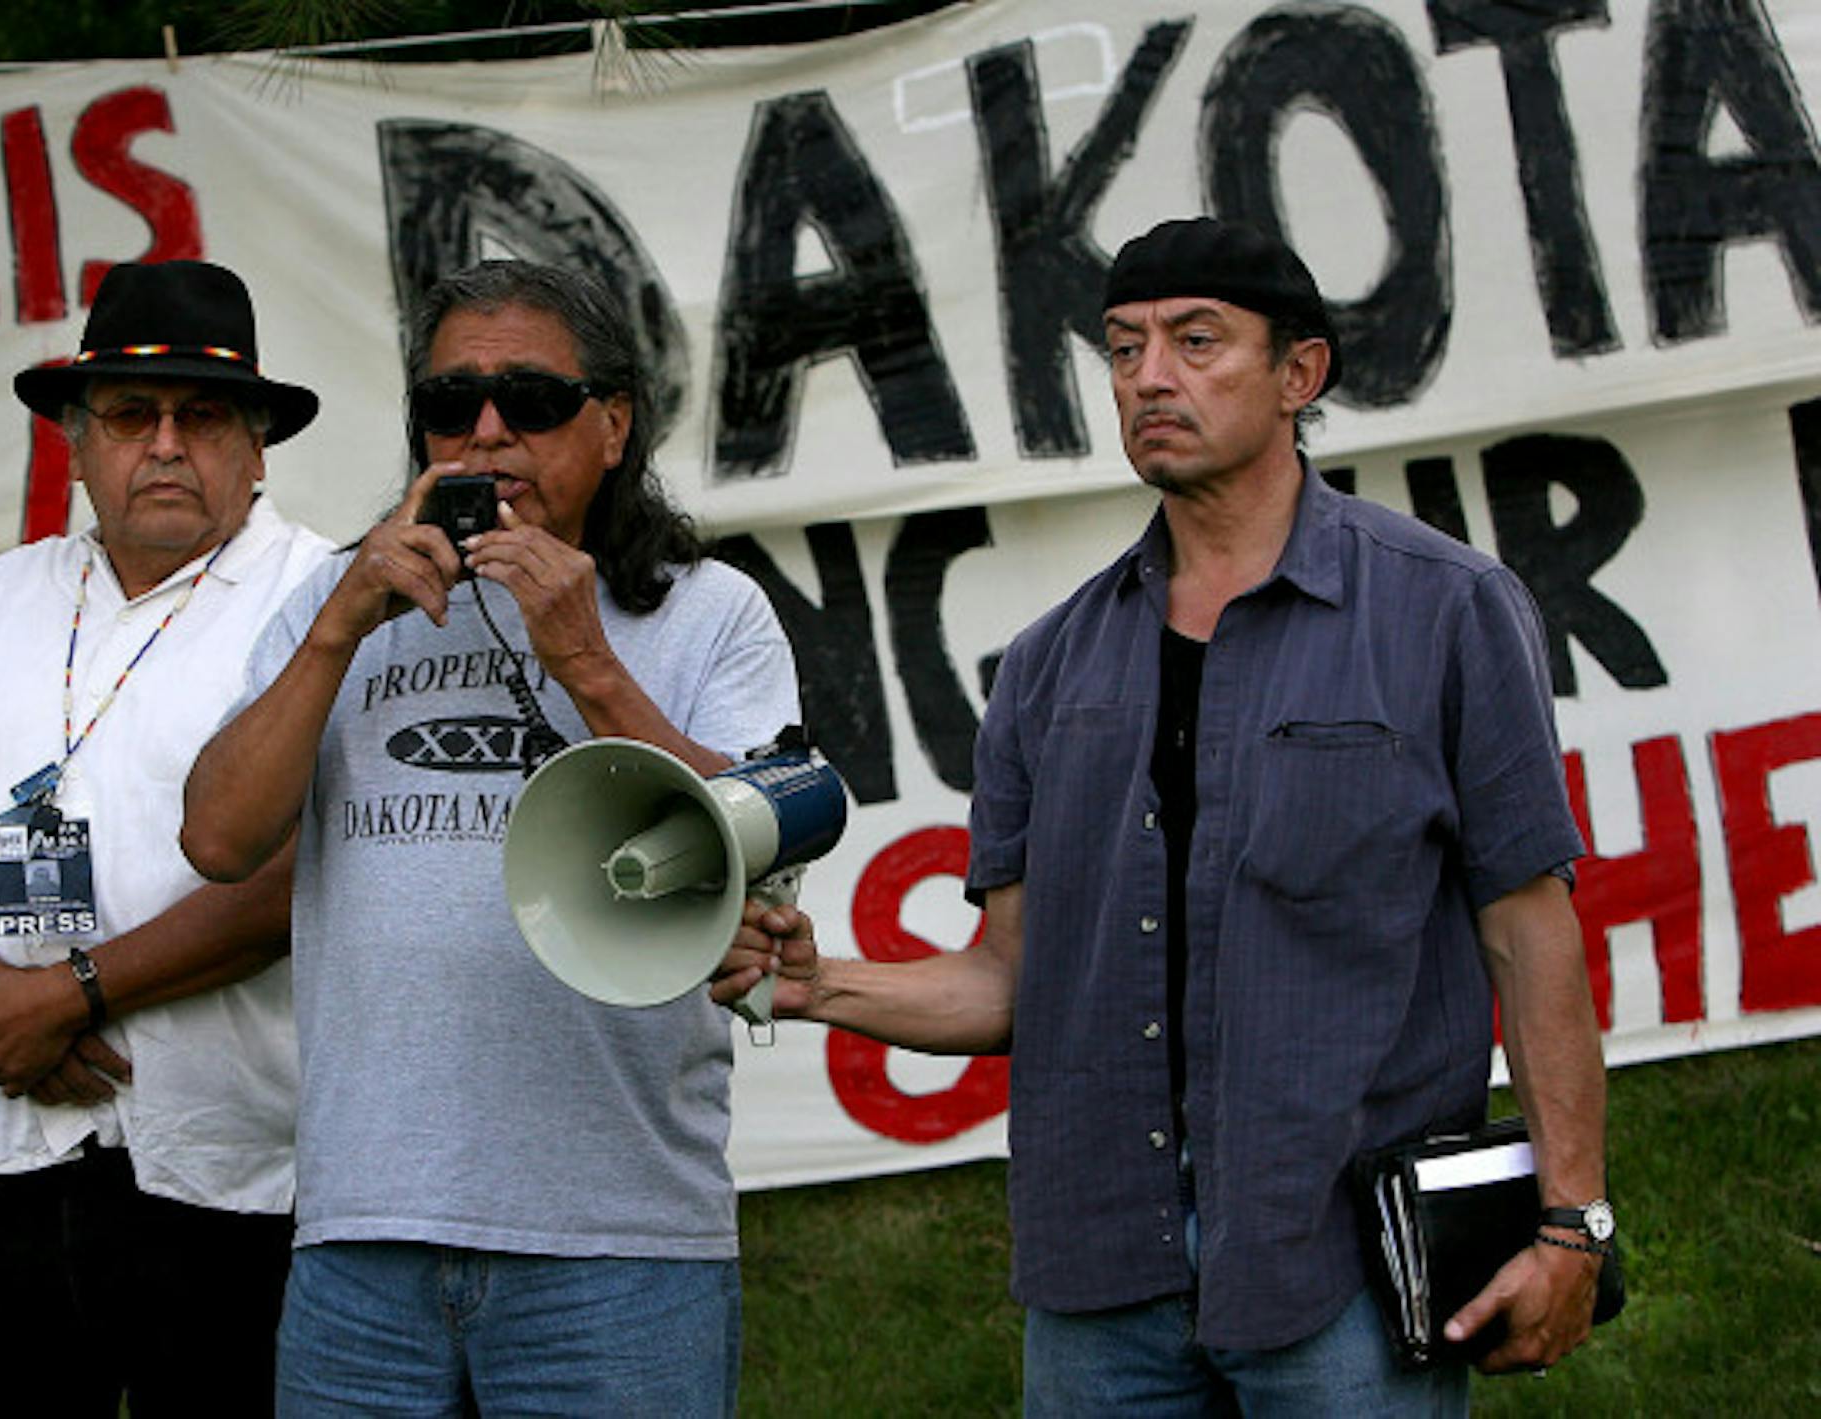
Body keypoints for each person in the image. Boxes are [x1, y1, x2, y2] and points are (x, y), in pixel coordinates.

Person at [726, 217, 1611, 1412]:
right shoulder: (1045, 669)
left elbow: (1529, 930)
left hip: (1339, 1262)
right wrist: (814, 985)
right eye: (1125, 347)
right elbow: (1012, 981)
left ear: (1300, 375)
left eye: (1198, 342)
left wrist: (1572, 1223)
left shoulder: (1445, 610)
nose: (1151, 376)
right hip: (1103, 1276)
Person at [180, 259, 799, 1417]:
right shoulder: (338, 602)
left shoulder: (708, 609)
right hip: (365, 1232)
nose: (488, 434)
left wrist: (583, 656)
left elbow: (756, 842)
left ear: (613, 424)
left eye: (534, 401)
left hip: (616, 1238)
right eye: (450, 406)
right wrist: (332, 632)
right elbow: (217, 839)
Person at [0, 260, 335, 1415]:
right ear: (76, 443)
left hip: (240, 1172)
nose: (165, 444)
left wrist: (64, 994)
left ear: (257, 444)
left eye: (202, 414)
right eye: (129, 414)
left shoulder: (321, 597)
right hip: (18, 1146)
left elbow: (299, 877)